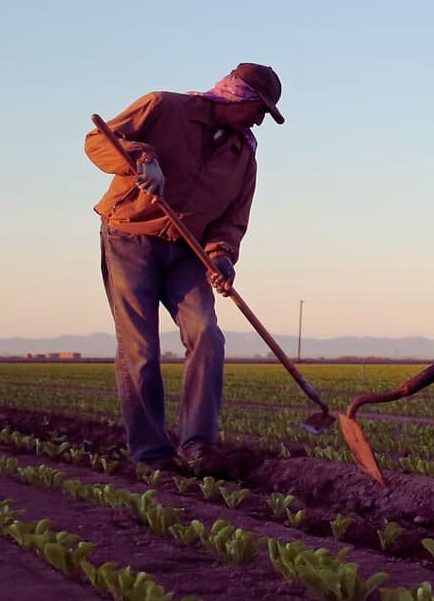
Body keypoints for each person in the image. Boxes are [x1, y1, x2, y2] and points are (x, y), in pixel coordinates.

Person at [85, 64, 285, 468]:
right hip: (130, 236)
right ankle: (153, 454)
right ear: (237, 98)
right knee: (140, 348)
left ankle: (197, 445)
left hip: (187, 250)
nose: (260, 121)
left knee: (207, 334)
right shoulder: (164, 107)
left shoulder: (243, 156)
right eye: (260, 110)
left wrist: (222, 256)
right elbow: (98, 141)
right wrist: (142, 158)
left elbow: (232, 218)